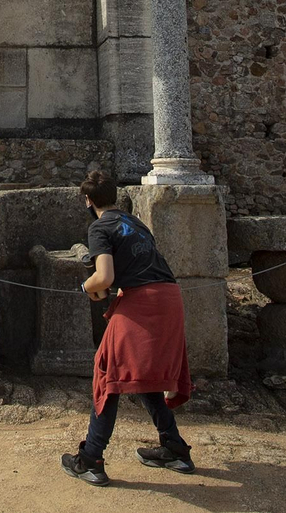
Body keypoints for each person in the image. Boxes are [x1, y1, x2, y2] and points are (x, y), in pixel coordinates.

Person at [61, 170, 194, 486]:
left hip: (143, 302)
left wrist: (86, 286)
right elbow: (136, 268)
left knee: (108, 372)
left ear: (88, 200)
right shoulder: (136, 223)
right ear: (115, 197)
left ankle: (91, 459)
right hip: (169, 297)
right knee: (144, 374)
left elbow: (104, 277)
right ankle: (174, 448)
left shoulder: (99, 227)